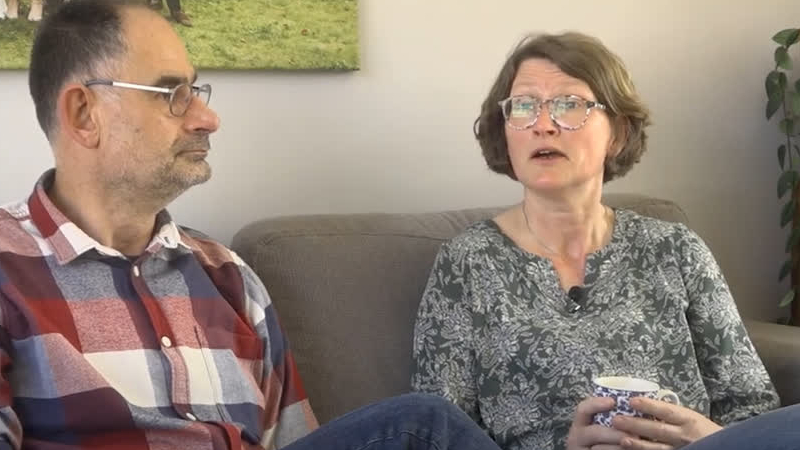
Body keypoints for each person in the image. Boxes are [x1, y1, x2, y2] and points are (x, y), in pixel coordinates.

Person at [0, 1, 503, 449]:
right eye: (172, 93)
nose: (208, 118)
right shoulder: (9, 270)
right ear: (84, 114)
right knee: (422, 425)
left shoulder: (227, 277)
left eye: (195, 90)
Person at [410, 32, 782, 450]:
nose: (543, 125)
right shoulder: (467, 262)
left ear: (618, 134)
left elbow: (755, 409)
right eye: (524, 106)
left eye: (569, 104)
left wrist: (705, 439)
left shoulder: (676, 249)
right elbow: (437, 434)